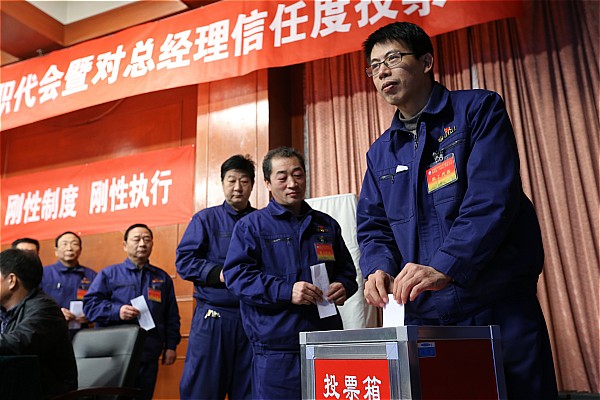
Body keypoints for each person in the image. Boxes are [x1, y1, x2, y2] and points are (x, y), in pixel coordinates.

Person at [356, 22, 558, 399]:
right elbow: (373, 226)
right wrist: (377, 268)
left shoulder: (477, 110)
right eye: (374, 66)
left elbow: (491, 199)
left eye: (393, 59)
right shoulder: (380, 152)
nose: (382, 72)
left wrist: (445, 265)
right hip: (428, 316)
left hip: (495, 305)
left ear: (426, 62)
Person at [223, 146, 358, 399]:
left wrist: (343, 286)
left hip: (325, 341)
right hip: (277, 349)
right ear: (267, 183)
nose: (292, 183)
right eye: (282, 177)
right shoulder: (251, 226)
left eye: (298, 175)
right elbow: (237, 277)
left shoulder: (326, 224)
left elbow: (347, 272)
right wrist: (287, 291)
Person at [176, 155, 255, 400]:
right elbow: (184, 262)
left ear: (253, 185)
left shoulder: (261, 221)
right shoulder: (205, 219)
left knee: (250, 390)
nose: (237, 187)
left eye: (244, 181)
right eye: (231, 180)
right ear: (222, 183)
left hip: (253, 317)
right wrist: (218, 273)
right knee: (202, 390)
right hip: (214, 316)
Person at [83, 223, 181, 400]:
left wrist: (171, 346)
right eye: (136, 239)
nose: (142, 244)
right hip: (114, 353)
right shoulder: (109, 274)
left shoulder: (162, 278)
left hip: (148, 352)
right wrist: (117, 311)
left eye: (147, 239)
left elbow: (171, 315)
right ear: (125, 245)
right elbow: (90, 307)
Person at [0, 248, 77, 399]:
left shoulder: (45, 309)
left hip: (46, 393)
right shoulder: (4, 310)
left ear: (12, 281)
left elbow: (20, 342)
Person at [41, 231, 97, 338]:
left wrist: (90, 315)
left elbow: (99, 302)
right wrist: (56, 313)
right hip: (50, 333)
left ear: (80, 250)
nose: (69, 248)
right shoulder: (43, 274)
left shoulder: (92, 275)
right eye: (64, 244)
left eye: (74, 244)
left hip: (83, 334)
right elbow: (35, 303)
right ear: (56, 251)